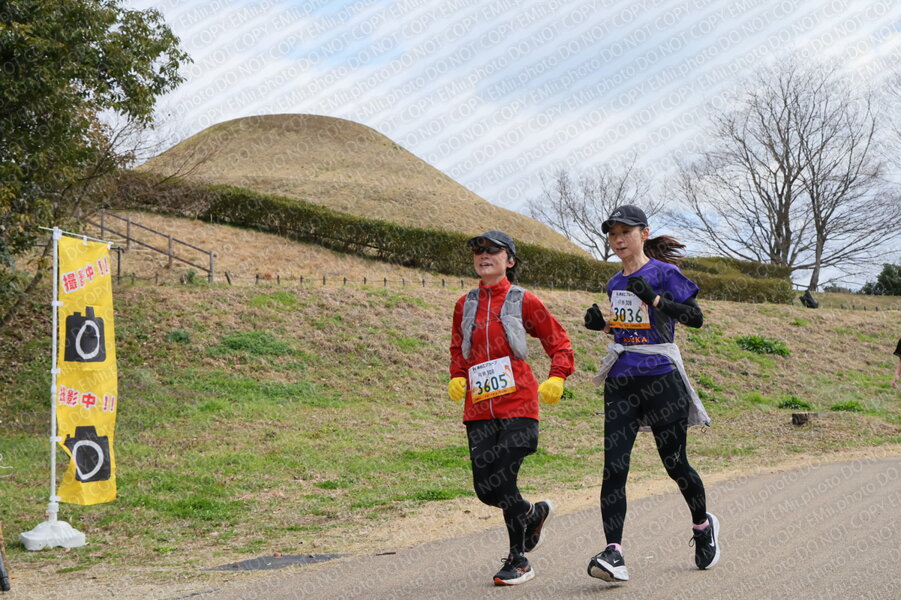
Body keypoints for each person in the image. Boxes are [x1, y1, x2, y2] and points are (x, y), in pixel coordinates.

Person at [582, 205, 718, 583]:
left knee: (675, 464)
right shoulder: (614, 282)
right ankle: (614, 552)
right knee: (614, 467)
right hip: (622, 379)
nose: (617, 239)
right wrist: (603, 326)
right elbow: (628, 327)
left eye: (625, 232)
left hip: (661, 378)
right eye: (612, 234)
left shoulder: (664, 273)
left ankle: (703, 526)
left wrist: (656, 299)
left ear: (643, 234)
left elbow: (695, 318)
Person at [448, 230, 574, 586]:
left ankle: (518, 560)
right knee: (486, 489)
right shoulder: (465, 304)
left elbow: (558, 341)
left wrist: (557, 376)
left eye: (493, 250)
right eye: (478, 250)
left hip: (519, 403)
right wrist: (457, 376)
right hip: (479, 408)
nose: (483, 255)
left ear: (510, 260)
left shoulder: (523, 300)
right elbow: (458, 347)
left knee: (504, 480)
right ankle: (533, 514)